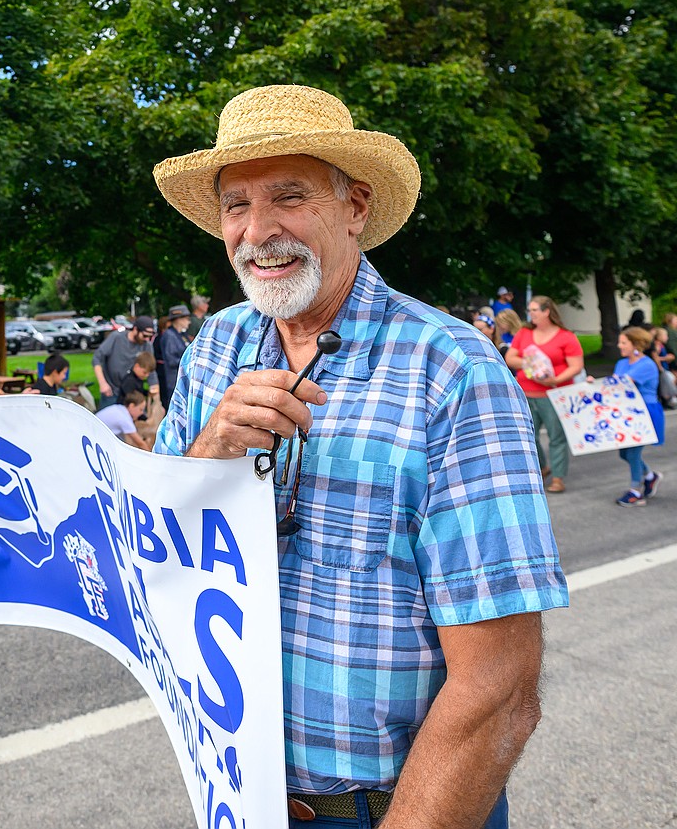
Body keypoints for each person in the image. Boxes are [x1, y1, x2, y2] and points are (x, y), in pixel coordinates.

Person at [151, 84, 567, 829]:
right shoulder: (214, 345)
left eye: (289, 196)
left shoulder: (452, 370)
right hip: (235, 794)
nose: (259, 230)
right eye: (237, 205)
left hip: (390, 810)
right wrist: (208, 448)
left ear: (357, 207)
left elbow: (501, 686)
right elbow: (154, 544)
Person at [504, 295, 584, 493]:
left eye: (534, 310)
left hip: (555, 395)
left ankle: (558, 478)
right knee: (528, 435)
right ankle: (541, 466)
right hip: (526, 392)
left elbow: (576, 366)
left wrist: (555, 379)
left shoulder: (566, 336)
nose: (530, 314)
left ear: (546, 311)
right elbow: (510, 357)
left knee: (556, 436)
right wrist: (532, 365)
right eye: (530, 310)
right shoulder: (524, 333)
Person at [610, 327, 665, 506]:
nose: (619, 346)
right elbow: (611, 385)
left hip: (644, 412)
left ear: (636, 344)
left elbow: (623, 383)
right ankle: (650, 476)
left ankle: (635, 491)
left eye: (623, 342)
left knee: (633, 453)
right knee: (624, 454)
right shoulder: (621, 363)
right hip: (626, 412)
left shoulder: (646, 365)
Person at [92, 316, 156, 405]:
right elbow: (97, 358)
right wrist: (102, 383)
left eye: (150, 336)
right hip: (112, 392)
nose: (147, 339)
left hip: (132, 394)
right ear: (135, 329)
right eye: (145, 335)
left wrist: (153, 386)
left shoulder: (147, 345)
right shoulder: (116, 337)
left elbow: (150, 368)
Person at [156, 304, 191, 411]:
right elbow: (171, 360)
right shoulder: (169, 335)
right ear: (178, 320)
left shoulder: (181, 335)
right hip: (173, 381)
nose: (189, 322)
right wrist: (190, 361)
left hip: (182, 379)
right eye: (186, 318)